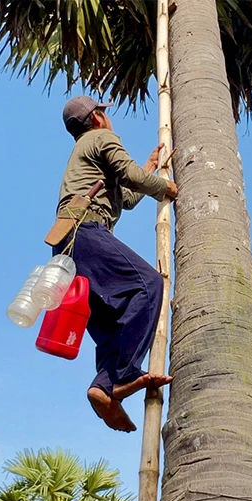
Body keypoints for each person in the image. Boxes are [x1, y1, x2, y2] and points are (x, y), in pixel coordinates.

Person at [50, 95, 179, 433]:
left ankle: (105, 388)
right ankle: (123, 376)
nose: (108, 118)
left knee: (111, 329)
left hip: (66, 246)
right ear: (96, 118)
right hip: (86, 232)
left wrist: (151, 168)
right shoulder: (101, 138)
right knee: (148, 285)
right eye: (103, 113)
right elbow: (131, 176)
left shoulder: (85, 151)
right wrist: (165, 186)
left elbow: (128, 195)